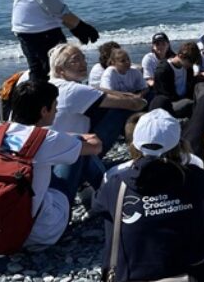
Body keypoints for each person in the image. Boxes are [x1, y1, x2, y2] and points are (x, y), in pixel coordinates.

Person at [94, 109, 204, 282]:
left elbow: (97, 207)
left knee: (113, 212)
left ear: (134, 144)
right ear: (179, 144)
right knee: (201, 204)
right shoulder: (194, 177)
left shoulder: (116, 181)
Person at [0, 79, 101, 249]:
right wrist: (79, 137)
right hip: (42, 232)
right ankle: (108, 201)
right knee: (78, 148)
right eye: (54, 106)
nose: (56, 110)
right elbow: (95, 147)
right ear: (44, 111)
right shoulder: (47, 139)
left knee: (49, 160)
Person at [48, 44, 146, 197]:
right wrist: (138, 100)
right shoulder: (72, 90)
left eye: (83, 58)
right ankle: (140, 157)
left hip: (50, 160)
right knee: (119, 110)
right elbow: (135, 104)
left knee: (80, 139)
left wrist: (114, 93)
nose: (83, 63)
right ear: (60, 69)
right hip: (66, 164)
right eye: (76, 60)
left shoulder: (52, 85)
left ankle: (97, 187)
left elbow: (96, 91)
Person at [149, 42, 204, 158]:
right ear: (180, 56)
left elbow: (191, 84)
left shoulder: (187, 69)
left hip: (186, 98)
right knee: (188, 103)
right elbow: (164, 95)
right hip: (171, 103)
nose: (190, 66)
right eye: (189, 62)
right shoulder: (163, 69)